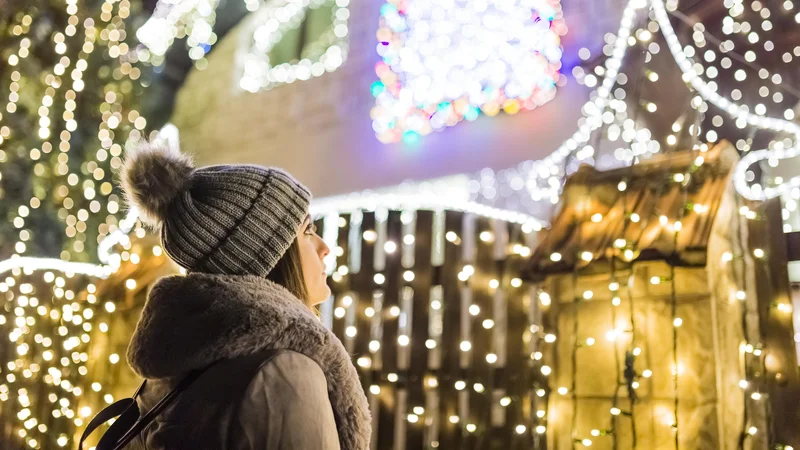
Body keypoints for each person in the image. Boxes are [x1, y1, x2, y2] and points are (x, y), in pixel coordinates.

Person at [119, 139, 371, 449]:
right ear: (266, 256)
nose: (324, 248)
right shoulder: (282, 373)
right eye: (307, 231)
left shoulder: (180, 368)